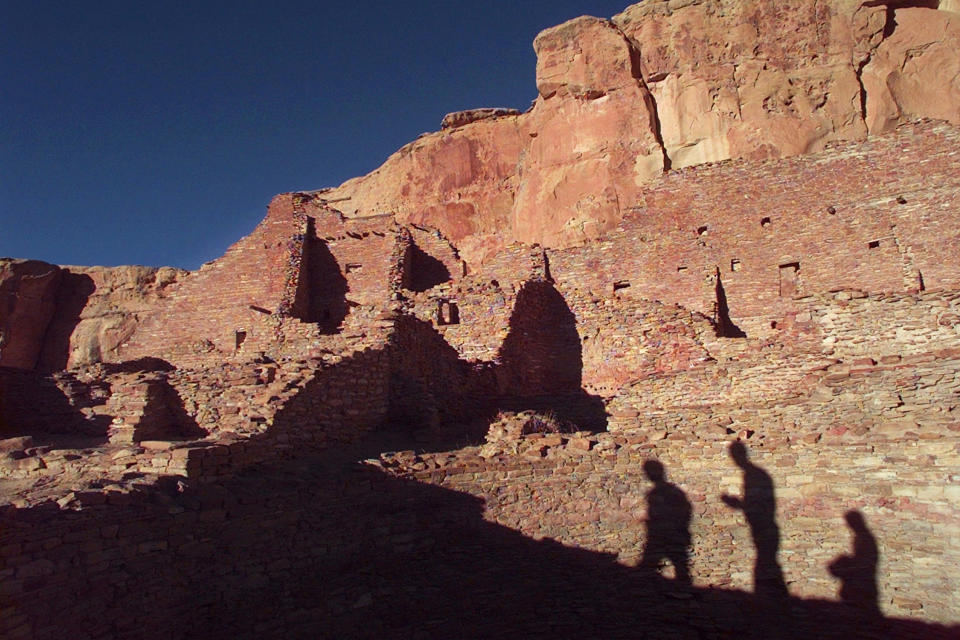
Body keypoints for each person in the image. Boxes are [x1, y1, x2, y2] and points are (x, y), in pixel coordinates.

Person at [722, 441, 789, 598]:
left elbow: (761, 503)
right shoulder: (755, 474)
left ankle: (773, 601)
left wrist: (736, 504)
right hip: (761, 525)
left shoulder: (754, 475)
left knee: (766, 561)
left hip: (763, 525)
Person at [640, 459, 692, 586]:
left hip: (663, 534)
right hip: (670, 533)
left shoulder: (660, 492)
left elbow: (685, 512)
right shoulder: (671, 492)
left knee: (650, 566)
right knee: (679, 565)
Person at [829, 510, 881, 615]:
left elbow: (865, 563)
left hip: (862, 584)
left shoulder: (865, 539)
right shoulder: (863, 537)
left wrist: (846, 568)